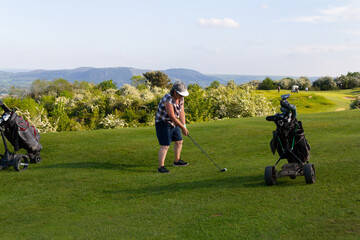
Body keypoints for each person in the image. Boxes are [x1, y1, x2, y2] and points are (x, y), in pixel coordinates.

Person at [155, 81, 189, 173]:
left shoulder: (181, 99)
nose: (182, 96)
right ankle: (160, 167)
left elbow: (181, 112)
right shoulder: (168, 99)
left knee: (179, 141)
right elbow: (172, 116)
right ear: (175, 92)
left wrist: (184, 126)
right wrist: (182, 128)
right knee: (165, 145)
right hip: (163, 122)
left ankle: (177, 161)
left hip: (174, 123)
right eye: (180, 94)